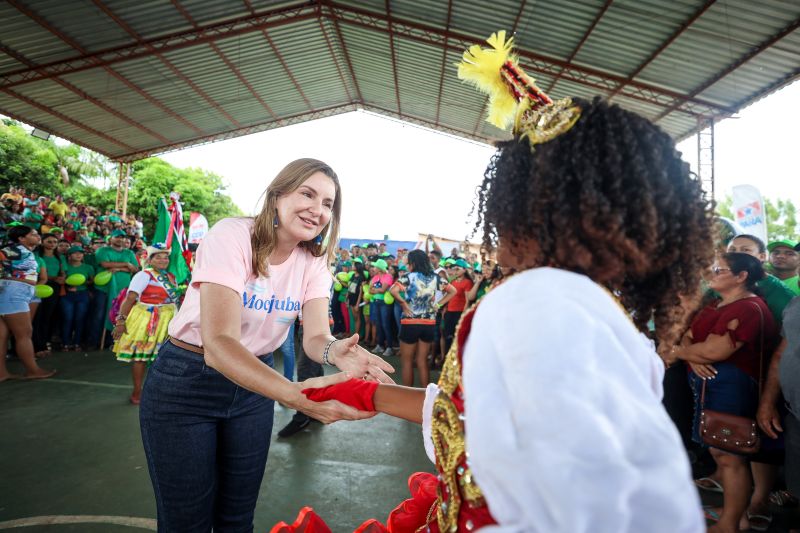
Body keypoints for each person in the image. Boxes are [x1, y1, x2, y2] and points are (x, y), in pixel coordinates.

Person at [278, 32, 709, 532]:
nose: (496, 227)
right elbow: (479, 416)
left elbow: (608, 510)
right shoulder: (604, 314)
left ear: (539, 209)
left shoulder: (534, 301)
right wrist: (367, 394)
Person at [138, 158, 394, 531]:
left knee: (238, 518)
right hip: (187, 382)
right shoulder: (232, 236)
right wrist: (293, 394)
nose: (317, 209)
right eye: (307, 194)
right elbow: (219, 343)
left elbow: (317, 336)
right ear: (277, 196)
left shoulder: (314, 263)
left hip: (252, 387)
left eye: (327, 203)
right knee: (185, 521)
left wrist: (333, 351)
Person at [670, 253, 779, 532]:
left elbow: (716, 350)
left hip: (733, 389)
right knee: (720, 454)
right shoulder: (714, 305)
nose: (712, 272)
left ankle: (730, 523)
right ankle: (734, 513)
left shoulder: (750, 308)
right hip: (709, 387)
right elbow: (689, 337)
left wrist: (681, 352)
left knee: (730, 457)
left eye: (720, 269)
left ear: (742, 276)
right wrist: (694, 357)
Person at [112, 244, 178, 404]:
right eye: (158, 257)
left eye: (165, 257)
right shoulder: (144, 275)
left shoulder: (170, 276)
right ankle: (137, 392)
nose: (163, 260)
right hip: (147, 319)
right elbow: (130, 298)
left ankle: (160, 390)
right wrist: (120, 321)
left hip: (168, 320)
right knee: (141, 357)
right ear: (150, 260)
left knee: (163, 358)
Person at [390, 249, 455, 386]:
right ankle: (426, 394)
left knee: (407, 361)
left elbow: (393, 290)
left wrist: (403, 304)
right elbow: (452, 291)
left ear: (413, 263)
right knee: (422, 360)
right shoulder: (435, 277)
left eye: (408, 263)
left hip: (410, 322)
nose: (407, 266)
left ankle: (408, 395)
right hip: (429, 323)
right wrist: (438, 304)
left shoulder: (408, 277)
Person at [0, 225, 54, 381]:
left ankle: (2, 373)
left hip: (10, 294)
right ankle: (33, 370)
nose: (38, 236)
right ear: (21, 238)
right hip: (14, 295)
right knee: (24, 334)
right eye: (33, 234)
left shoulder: (24, 251)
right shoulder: (16, 249)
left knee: (2, 336)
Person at [32, 233, 63, 356]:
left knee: (47, 317)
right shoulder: (36, 257)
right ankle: (36, 346)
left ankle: (43, 344)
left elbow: (62, 272)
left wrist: (62, 278)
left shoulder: (59, 258)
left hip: (54, 289)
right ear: (42, 242)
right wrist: (54, 278)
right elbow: (37, 274)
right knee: (36, 317)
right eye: (49, 241)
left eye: (55, 242)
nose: (52, 244)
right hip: (38, 286)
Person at [60, 246, 95, 351]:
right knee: (67, 319)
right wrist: (68, 284)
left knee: (80, 319)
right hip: (67, 295)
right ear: (69, 256)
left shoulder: (88, 267)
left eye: (81, 253)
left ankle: (77, 343)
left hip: (82, 295)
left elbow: (92, 281)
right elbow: (62, 279)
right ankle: (65, 343)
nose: (79, 255)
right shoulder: (65, 266)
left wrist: (82, 282)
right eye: (75, 253)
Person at [441, 258, 473, 355]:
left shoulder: (467, 282)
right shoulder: (453, 281)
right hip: (449, 312)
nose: (455, 271)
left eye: (457, 269)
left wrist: (463, 315)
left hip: (459, 313)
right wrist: (445, 309)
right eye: (454, 269)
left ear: (464, 270)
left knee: (456, 338)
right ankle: (445, 360)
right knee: (447, 337)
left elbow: (468, 301)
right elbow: (449, 297)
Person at [369, 258, 394, 356]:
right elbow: (369, 290)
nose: (373, 268)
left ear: (379, 268)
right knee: (379, 324)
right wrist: (377, 289)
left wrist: (375, 289)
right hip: (376, 302)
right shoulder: (375, 277)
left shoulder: (388, 276)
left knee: (385, 325)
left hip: (384, 303)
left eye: (375, 266)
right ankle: (380, 345)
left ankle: (389, 347)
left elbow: (383, 290)